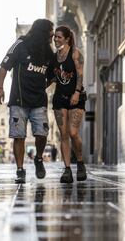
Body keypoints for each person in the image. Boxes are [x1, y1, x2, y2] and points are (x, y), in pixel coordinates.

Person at [0, 19, 54, 184]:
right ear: (43, 32)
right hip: (19, 100)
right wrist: (0, 88)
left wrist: (44, 85)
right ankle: (20, 170)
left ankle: (38, 159)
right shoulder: (20, 45)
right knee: (18, 136)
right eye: (50, 31)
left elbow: (52, 75)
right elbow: (3, 67)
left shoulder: (48, 52)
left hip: (39, 101)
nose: (52, 35)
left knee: (42, 134)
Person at [49, 25, 87, 183]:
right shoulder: (54, 57)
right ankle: (67, 170)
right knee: (63, 134)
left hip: (76, 98)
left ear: (67, 38)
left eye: (59, 37)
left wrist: (77, 92)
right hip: (59, 98)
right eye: (55, 37)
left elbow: (79, 75)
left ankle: (79, 162)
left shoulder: (75, 53)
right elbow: (51, 78)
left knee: (73, 133)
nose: (56, 39)